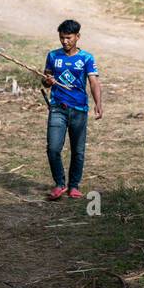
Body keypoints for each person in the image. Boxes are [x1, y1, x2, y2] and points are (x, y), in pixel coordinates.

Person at [42, 19, 102, 200]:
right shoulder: (53, 56)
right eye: (62, 38)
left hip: (79, 110)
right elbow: (45, 80)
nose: (65, 42)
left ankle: (73, 186)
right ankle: (59, 184)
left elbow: (93, 82)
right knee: (53, 148)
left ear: (78, 37)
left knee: (78, 150)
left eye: (68, 38)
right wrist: (48, 81)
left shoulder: (86, 59)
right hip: (57, 109)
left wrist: (98, 103)